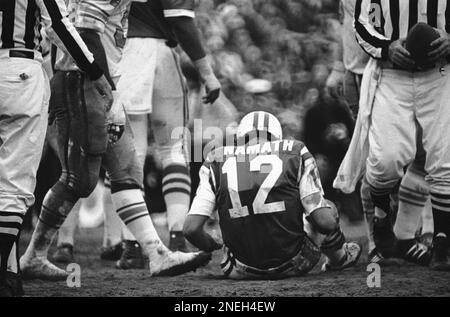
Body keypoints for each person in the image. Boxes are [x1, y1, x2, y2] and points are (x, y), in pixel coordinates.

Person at [19, 0, 211, 282]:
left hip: (91, 80)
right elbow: (86, 31)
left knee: (127, 170)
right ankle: (34, 255)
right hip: (83, 81)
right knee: (78, 180)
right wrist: (108, 89)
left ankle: (156, 253)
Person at [0, 0, 113, 297]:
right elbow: (58, 25)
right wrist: (94, 70)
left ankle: (11, 272)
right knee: (14, 185)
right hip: (19, 71)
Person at [183, 111, 361, 280]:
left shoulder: (216, 158)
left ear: (239, 138)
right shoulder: (295, 150)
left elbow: (191, 229)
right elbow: (325, 222)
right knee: (326, 207)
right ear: (277, 137)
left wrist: (211, 244)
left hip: (238, 269)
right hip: (296, 262)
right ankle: (339, 258)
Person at [328, 0, 432, 266]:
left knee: (422, 156)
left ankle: (404, 234)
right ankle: (378, 241)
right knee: (376, 161)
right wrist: (340, 69)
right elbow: (350, 26)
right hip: (370, 75)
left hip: (401, 73)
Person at [348, 0, 450, 270]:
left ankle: (442, 242)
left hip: (440, 73)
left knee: (444, 160)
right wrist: (386, 47)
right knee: (385, 161)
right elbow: (361, 23)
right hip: (392, 75)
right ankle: (382, 217)